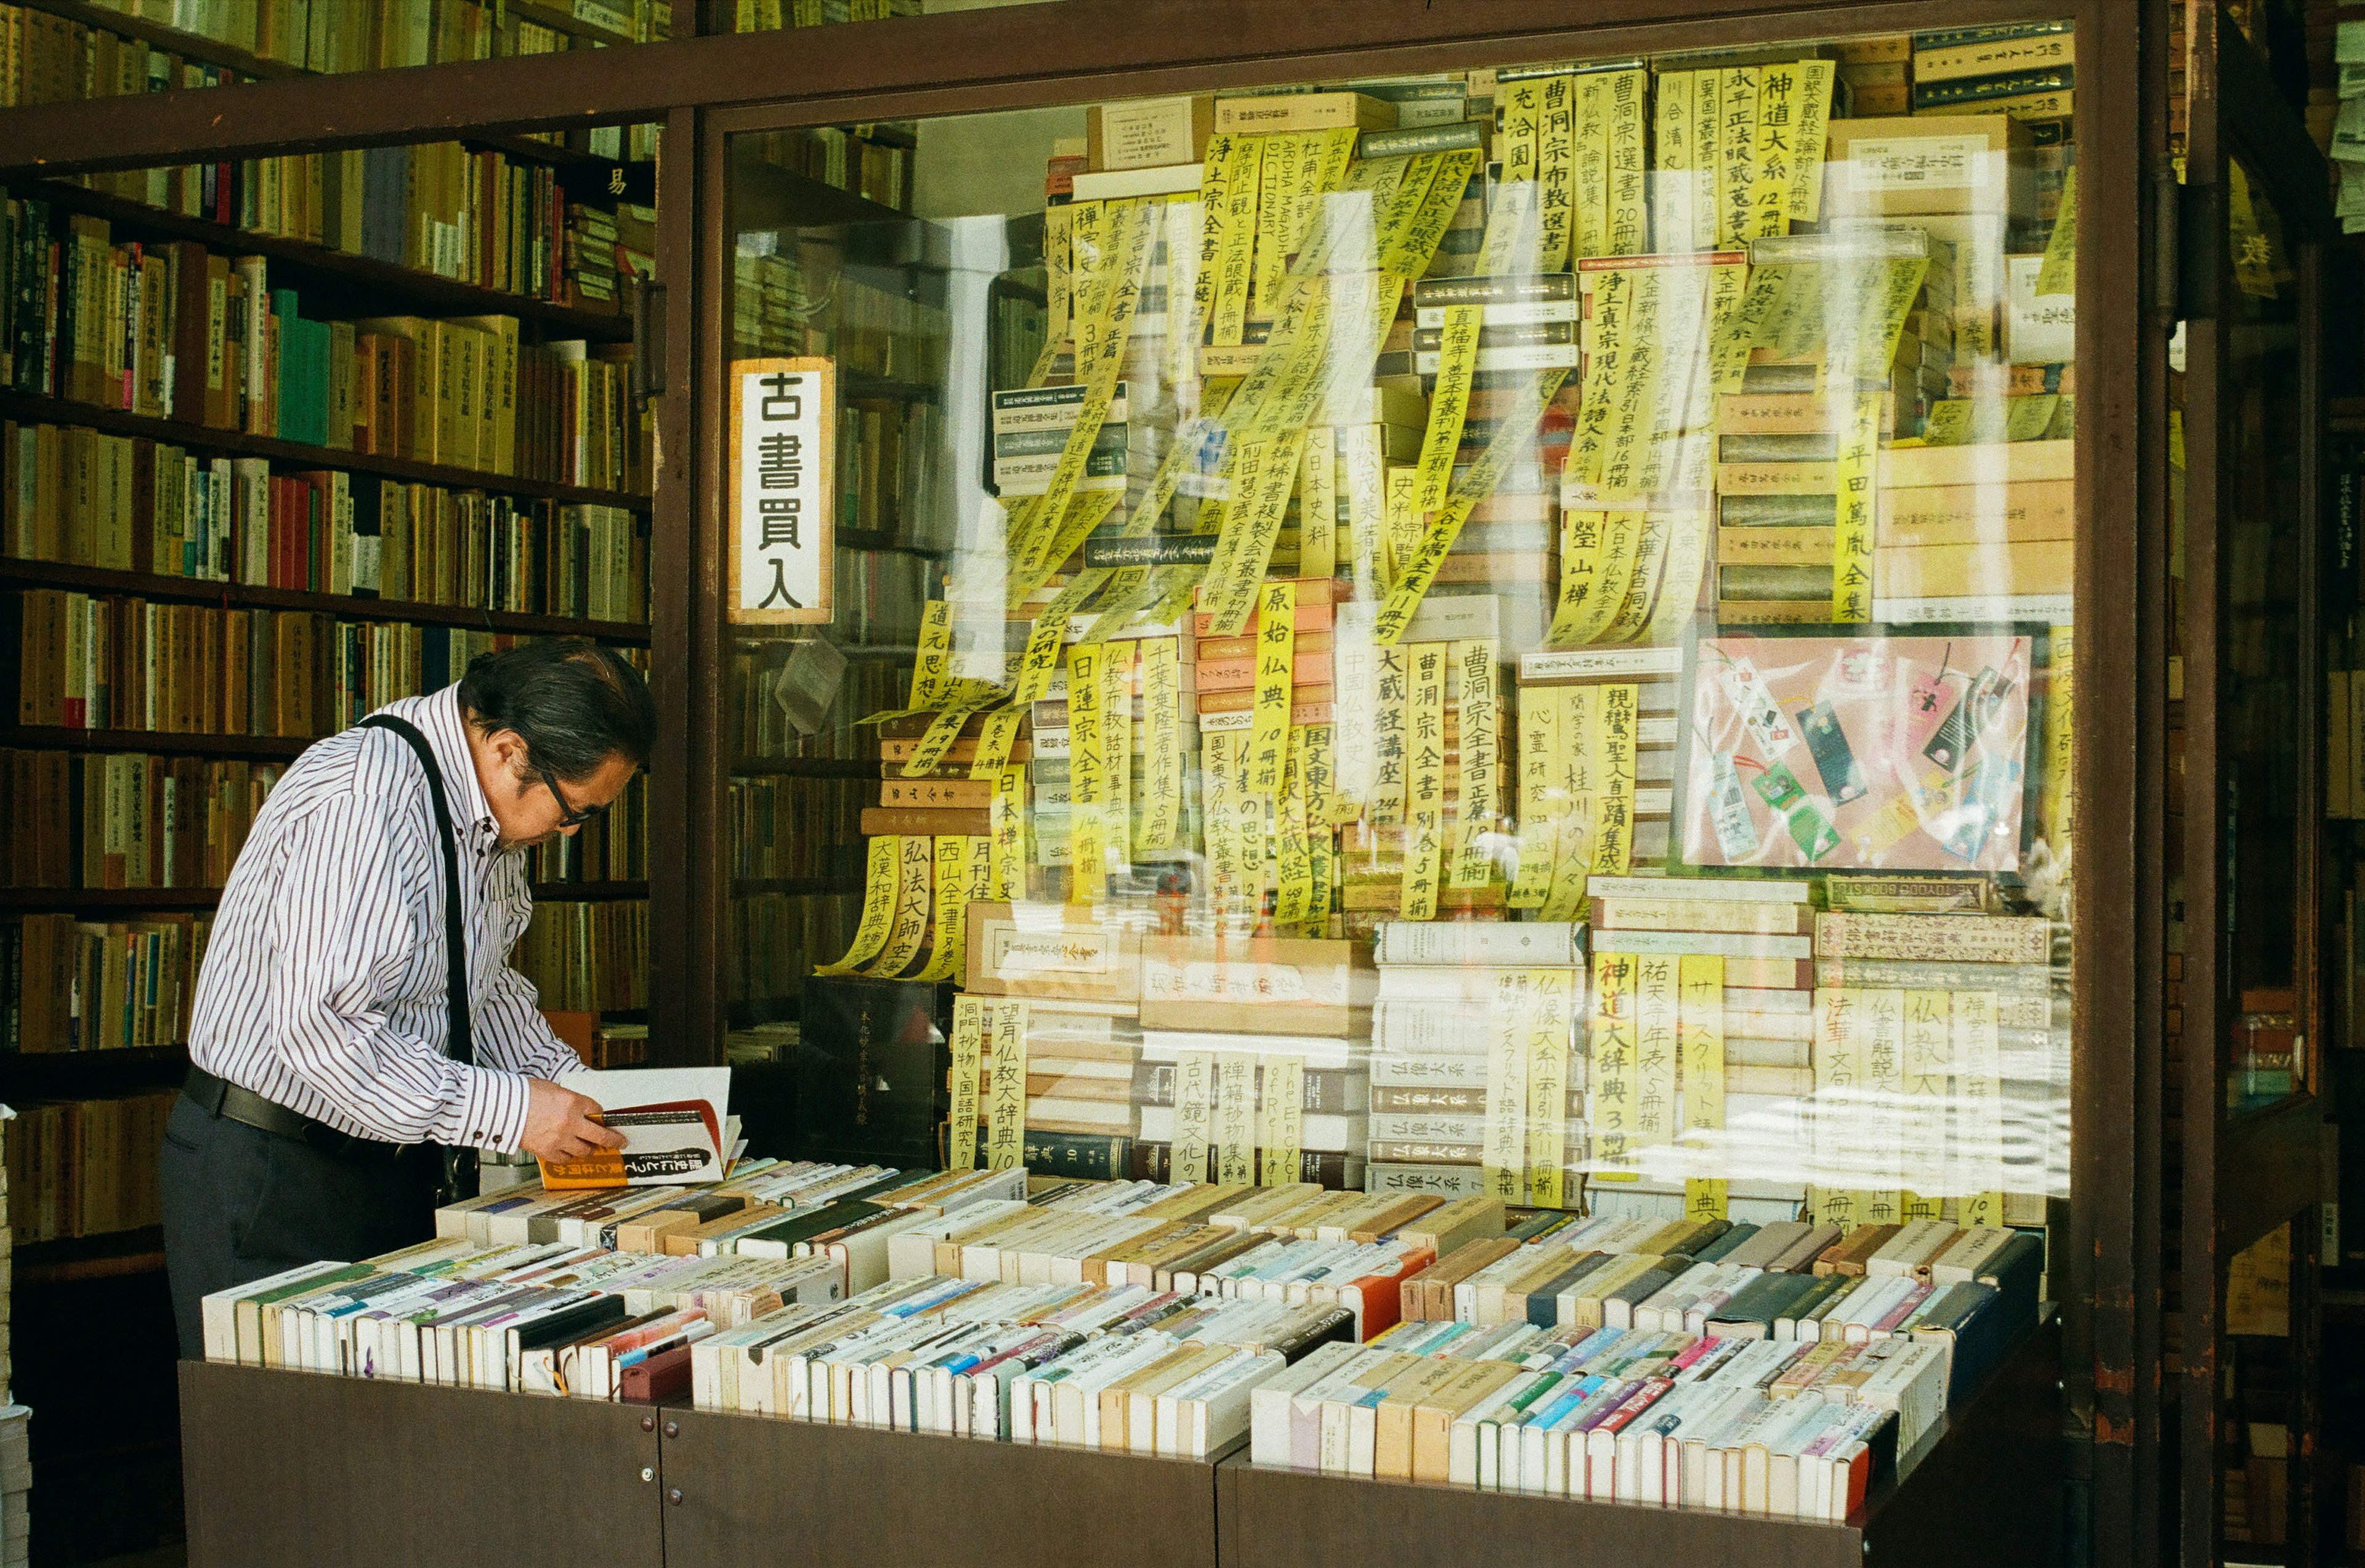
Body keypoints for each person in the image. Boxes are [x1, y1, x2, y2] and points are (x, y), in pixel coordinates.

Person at [160, 639, 657, 1358]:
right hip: (273, 1174)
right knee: (280, 1446)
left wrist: (585, 1102)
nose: (570, 831)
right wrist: (516, 1110)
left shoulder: (483, 816)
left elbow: (478, 986)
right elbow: (322, 1029)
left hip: (388, 1167)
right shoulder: (365, 798)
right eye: (575, 810)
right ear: (510, 750)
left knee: (382, 1450)